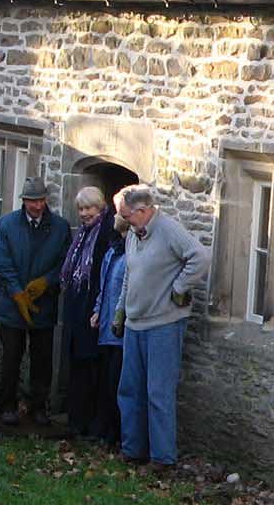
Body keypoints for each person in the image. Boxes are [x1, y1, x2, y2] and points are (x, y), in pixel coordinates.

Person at [109, 184, 207, 467]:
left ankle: (162, 458)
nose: (123, 222)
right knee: (129, 390)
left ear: (143, 211)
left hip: (164, 323)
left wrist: (180, 287)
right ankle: (133, 450)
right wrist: (120, 311)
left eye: (127, 216)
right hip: (135, 323)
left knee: (158, 393)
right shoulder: (133, 234)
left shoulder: (168, 230)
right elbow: (130, 273)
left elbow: (200, 257)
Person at [0, 175, 70, 429]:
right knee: (11, 358)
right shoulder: (5, 225)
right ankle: (7, 406)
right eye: (31, 201)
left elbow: (64, 263)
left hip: (44, 305)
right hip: (12, 306)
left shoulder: (60, 227)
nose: (37, 206)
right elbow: (3, 264)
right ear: (23, 201)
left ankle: (39, 406)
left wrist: (47, 282)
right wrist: (18, 294)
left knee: (42, 360)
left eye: (41, 200)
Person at [58, 184, 121, 441]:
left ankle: (89, 422)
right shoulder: (83, 234)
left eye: (89, 208)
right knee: (77, 364)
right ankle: (76, 419)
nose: (84, 213)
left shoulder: (106, 233)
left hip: (93, 309)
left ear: (101, 207)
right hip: (76, 306)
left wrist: (96, 308)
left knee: (92, 366)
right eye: (81, 209)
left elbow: (102, 275)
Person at [90, 190, 133, 447]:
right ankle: (104, 429)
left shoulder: (132, 257)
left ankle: (117, 435)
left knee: (118, 384)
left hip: (121, 333)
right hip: (105, 327)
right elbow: (104, 286)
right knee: (104, 382)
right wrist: (97, 310)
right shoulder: (112, 253)